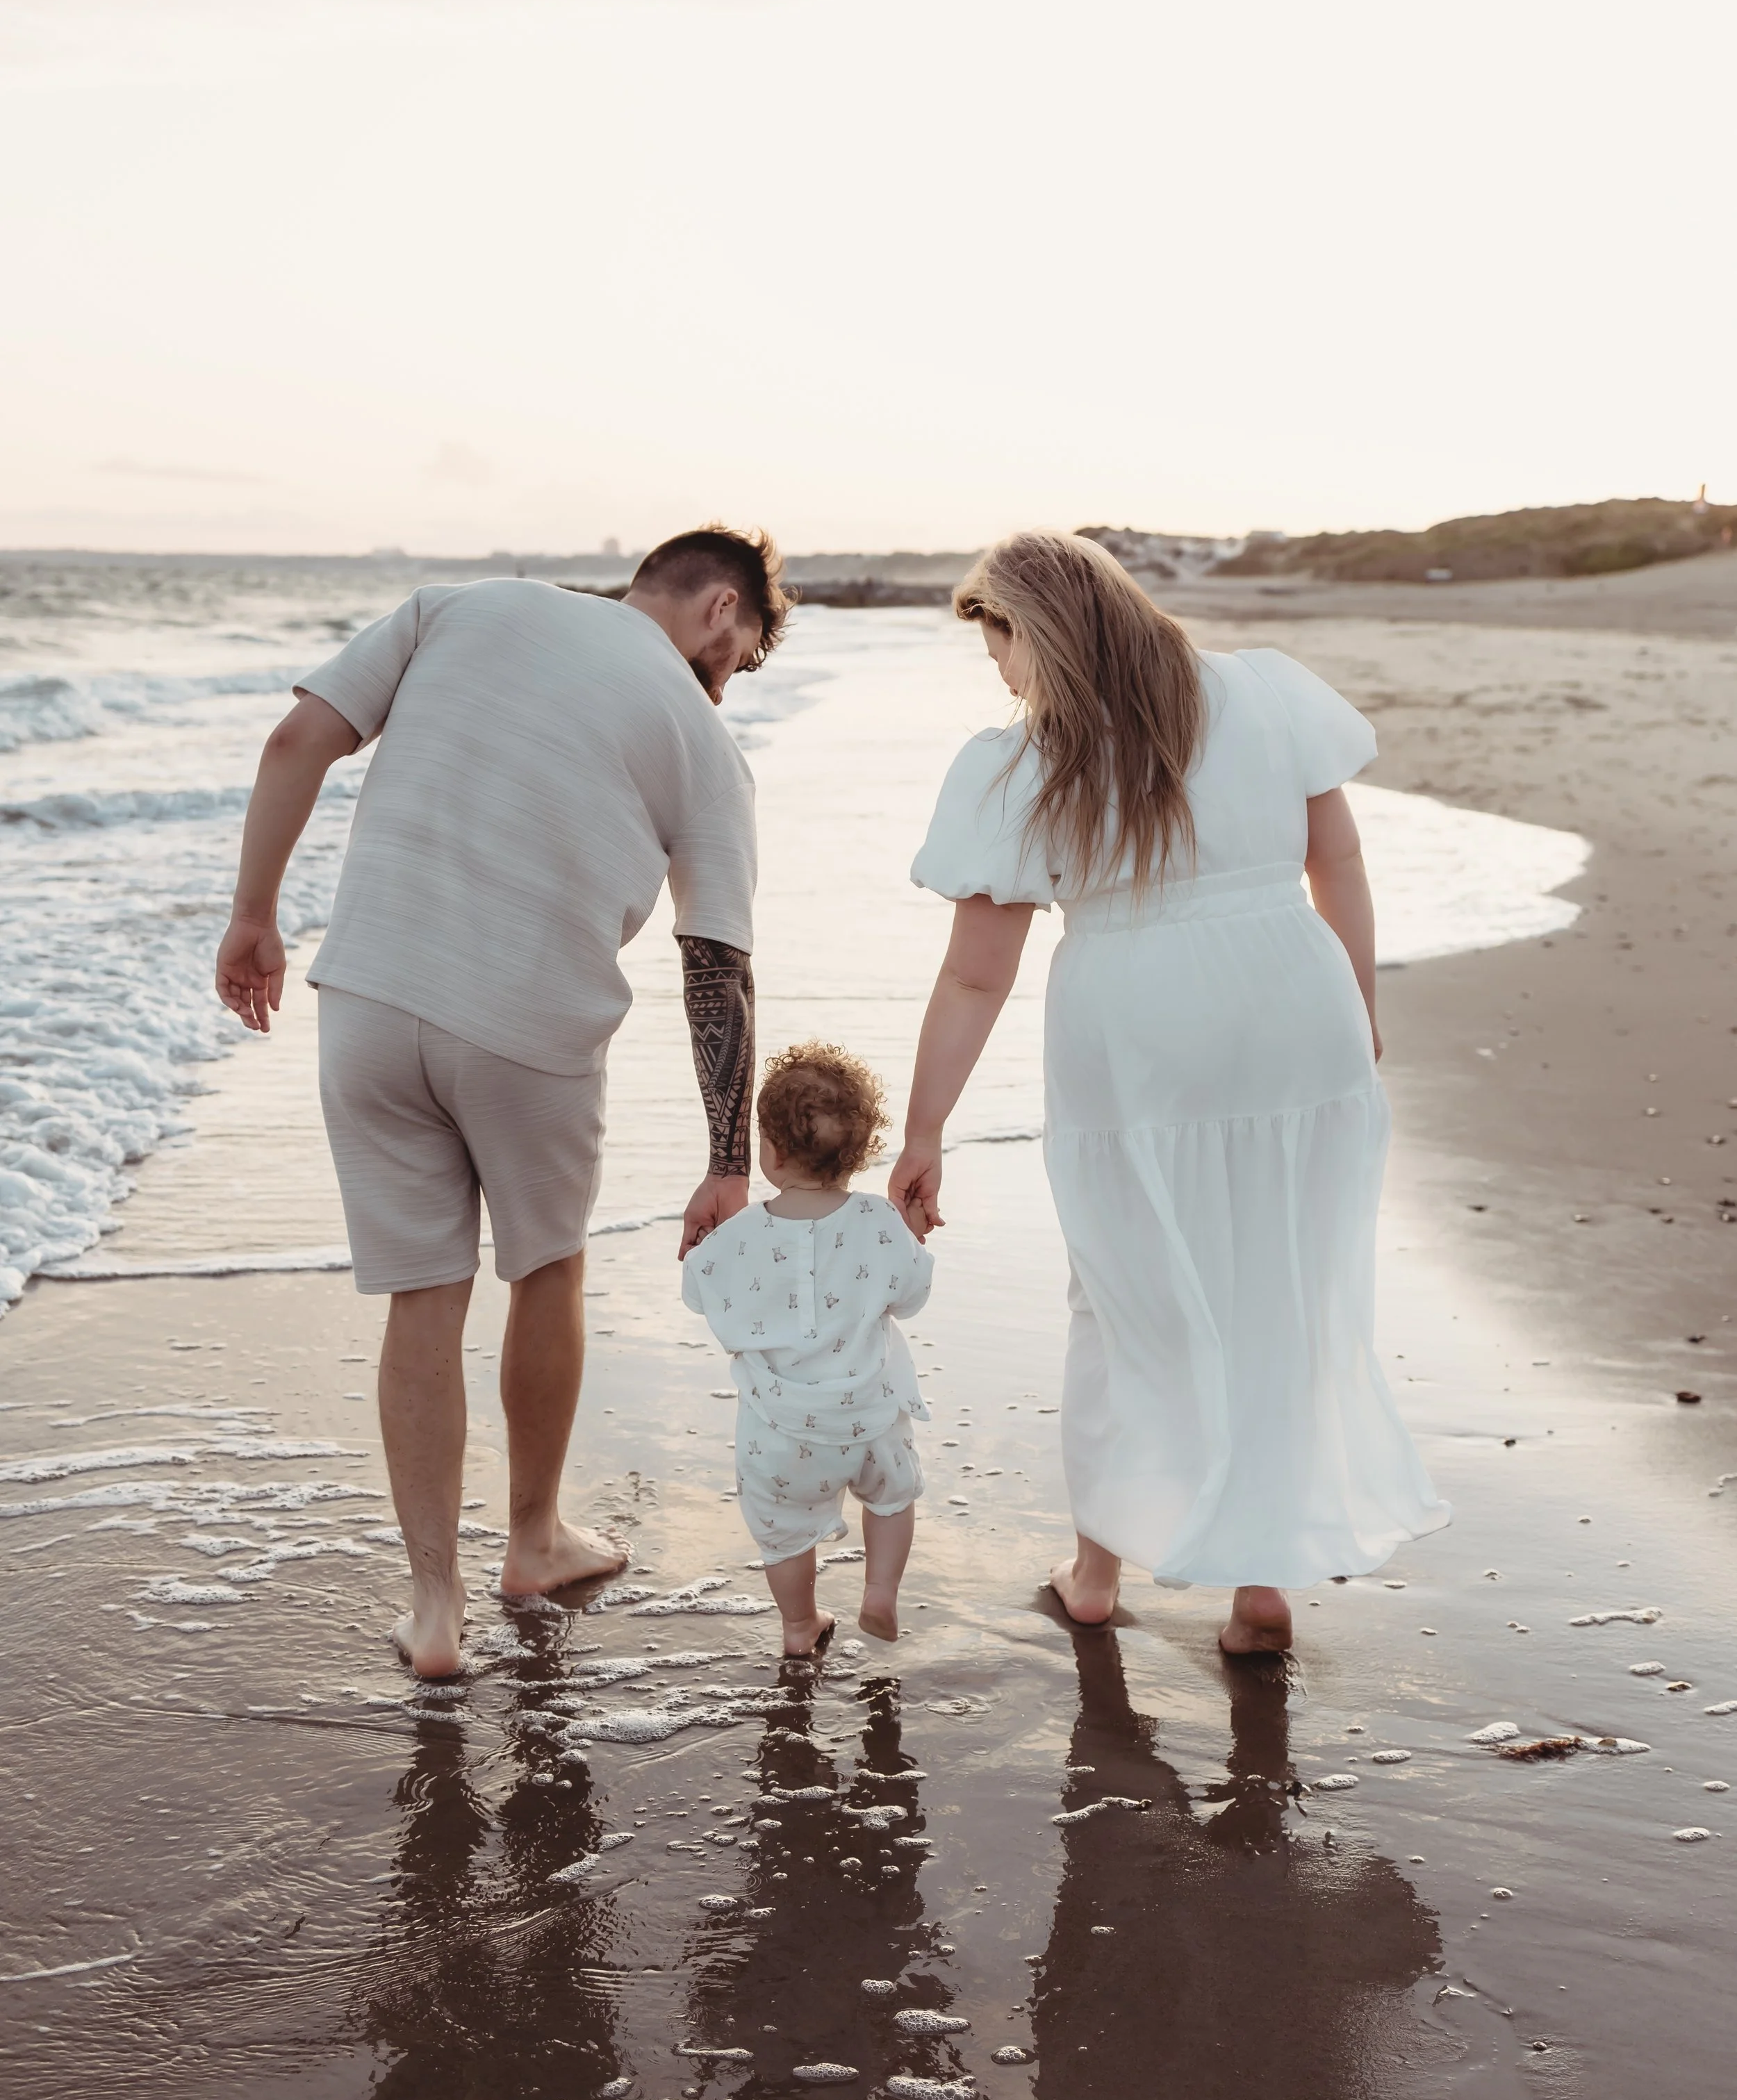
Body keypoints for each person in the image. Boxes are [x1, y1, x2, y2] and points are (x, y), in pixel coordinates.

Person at [214, 526, 788, 1677]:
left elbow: (296, 742)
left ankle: (433, 1608)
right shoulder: (704, 743)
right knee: (545, 1266)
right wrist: (731, 1159)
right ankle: (532, 1540)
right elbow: (714, 965)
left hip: (368, 999)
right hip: (530, 1028)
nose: (724, 690)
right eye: (739, 664)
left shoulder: (458, 605)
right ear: (721, 612)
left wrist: (254, 918)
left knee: (421, 1296)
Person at [887, 529, 1447, 1654]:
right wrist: (1361, 1005)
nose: (996, 673)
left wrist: (923, 1127)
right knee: (1278, 1286)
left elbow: (976, 971)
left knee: (1124, 1297)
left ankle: (1095, 1575)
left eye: (994, 643)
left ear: (1028, 630)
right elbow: (1333, 862)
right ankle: (1262, 1592)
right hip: (1298, 1008)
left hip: (1141, 1029)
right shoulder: (1264, 693)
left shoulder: (1017, 763)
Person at [682, 1041, 930, 1655]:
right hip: (871, 1418)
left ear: (769, 1151)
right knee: (893, 1499)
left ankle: (799, 1626)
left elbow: (697, 1292)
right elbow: (912, 1295)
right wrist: (912, 1234)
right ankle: (879, 1592)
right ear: (861, 1151)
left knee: (786, 1534)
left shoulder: (739, 1235)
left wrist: (707, 1247)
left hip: (780, 1429)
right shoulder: (879, 1220)